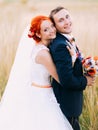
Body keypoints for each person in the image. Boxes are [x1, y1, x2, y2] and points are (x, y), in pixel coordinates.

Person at [0, 15, 74, 130]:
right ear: (38, 34)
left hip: (42, 91)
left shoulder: (42, 47)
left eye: (51, 26)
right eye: (46, 29)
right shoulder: (42, 53)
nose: (52, 30)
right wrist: (72, 59)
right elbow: (60, 78)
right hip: (41, 97)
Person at [49, 6, 95, 130]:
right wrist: (86, 81)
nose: (67, 21)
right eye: (61, 20)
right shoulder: (60, 46)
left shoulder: (65, 40)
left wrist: (87, 65)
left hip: (71, 102)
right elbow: (66, 80)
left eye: (67, 17)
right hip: (67, 104)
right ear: (55, 26)